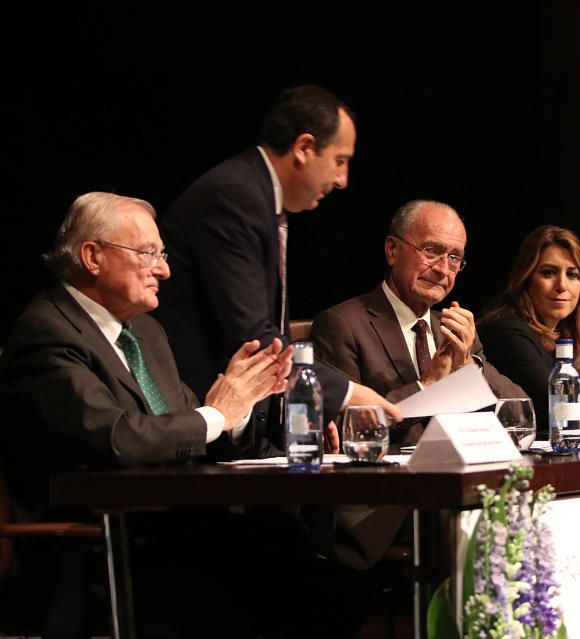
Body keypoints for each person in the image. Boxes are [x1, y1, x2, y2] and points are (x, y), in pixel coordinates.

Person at [0, 193, 356, 636]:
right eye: (148, 253)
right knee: (291, 579)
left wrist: (239, 408)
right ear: (92, 255)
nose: (164, 269)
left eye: (162, 254)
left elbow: (192, 421)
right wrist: (217, 412)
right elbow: (116, 437)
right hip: (104, 540)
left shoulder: (146, 332)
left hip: (177, 523)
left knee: (315, 564)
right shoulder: (46, 332)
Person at [155, 85, 398, 456]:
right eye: (339, 160)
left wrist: (307, 402)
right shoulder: (233, 197)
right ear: (303, 148)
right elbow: (252, 335)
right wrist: (347, 393)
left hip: (246, 425)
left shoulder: (260, 198)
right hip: (198, 431)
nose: (343, 179)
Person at [311, 199, 524, 444]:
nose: (443, 269)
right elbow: (346, 430)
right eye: (431, 251)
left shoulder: (454, 331)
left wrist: (469, 366)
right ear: (392, 250)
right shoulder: (343, 325)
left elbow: (518, 416)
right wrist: (426, 386)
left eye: (454, 257)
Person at [478, 225, 580, 437]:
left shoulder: (568, 334)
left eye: (572, 275)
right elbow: (565, 412)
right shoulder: (504, 330)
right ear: (526, 278)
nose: (562, 286)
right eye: (549, 273)